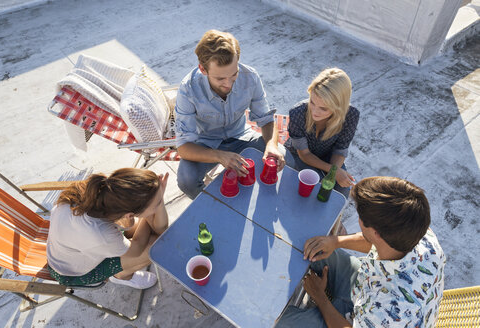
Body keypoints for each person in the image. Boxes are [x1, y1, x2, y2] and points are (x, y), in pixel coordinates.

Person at [276, 176, 446, 328]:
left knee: (284, 324)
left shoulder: (391, 311)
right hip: (365, 287)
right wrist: (335, 242)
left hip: (362, 317)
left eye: (361, 218)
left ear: (376, 233)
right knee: (313, 248)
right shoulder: (418, 229)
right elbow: (377, 242)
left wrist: (320, 297)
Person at [175, 29, 286, 199]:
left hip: (242, 136)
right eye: (220, 79)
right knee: (186, 180)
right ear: (203, 69)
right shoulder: (188, 89)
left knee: (283, 157)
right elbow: (183, 148)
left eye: (234, 75)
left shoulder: (251, 77)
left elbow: (266, 120)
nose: (228, 84)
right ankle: (218, 208)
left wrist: (271, 145)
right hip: (206, 144)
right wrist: (219, 156)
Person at [46, 168, 169, 289]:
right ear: (129, 215)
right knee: (157, 247)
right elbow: (136, 250)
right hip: (70, 271)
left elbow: (161, 229)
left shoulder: (98, 192)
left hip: (68, 250)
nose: (159, 203)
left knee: (157, 234)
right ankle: (122, 275)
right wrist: (148, 216)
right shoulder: (101, 233)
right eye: (157, 203)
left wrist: (155, 201)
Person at [284, 68, 359, 198]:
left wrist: (333, 173)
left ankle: (334, 218)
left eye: (323, 108)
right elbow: (305, 154)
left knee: (342, 190)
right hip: (297, 154)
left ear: (339, 107)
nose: (314, 112)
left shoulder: (351, 115)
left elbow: (340, 150)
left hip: (328, 156)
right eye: (312, 102)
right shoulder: (297, 113)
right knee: (313, 184)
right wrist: (333, 171)